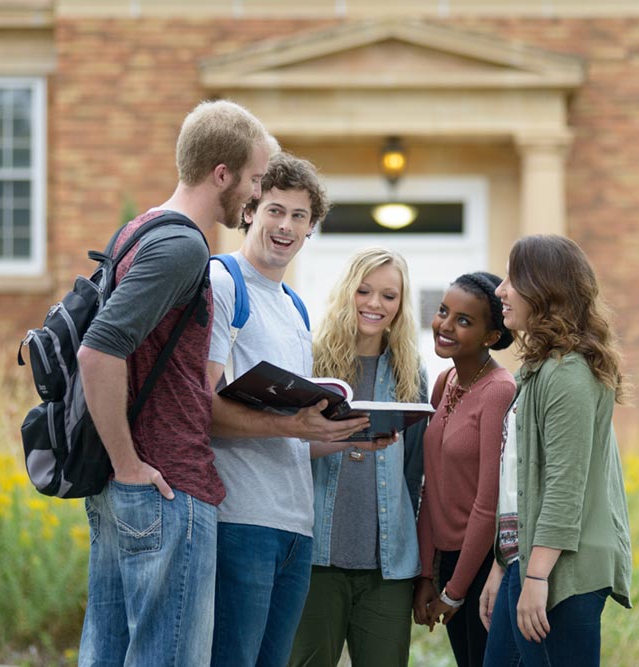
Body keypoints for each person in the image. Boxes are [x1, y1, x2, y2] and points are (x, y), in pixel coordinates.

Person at [76, 100, 277, 667]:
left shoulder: (140, 230)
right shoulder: (184, 245)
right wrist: (128, 463)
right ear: (223, 173)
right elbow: (99, 351)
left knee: (110, 654)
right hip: (165, 487)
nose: (256, 196)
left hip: (135, 489)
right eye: (255, 180)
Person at [206, 152, 370, 667]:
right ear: (250, 211)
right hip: (240, 519)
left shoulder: (295, 306)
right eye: (275, 210)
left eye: (300, 217)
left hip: (297, 527)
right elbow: (202, 408)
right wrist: (293, 423)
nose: (286, 226)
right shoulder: (222, 282)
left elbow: (294, 437)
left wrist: (353, 434)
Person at [479, 234, 633, 667]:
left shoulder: (568, 376)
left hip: (562, 575)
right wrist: (503, 564)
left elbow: (565, 486)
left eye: (513, 279)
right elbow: (520, 483)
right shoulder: (540, 370)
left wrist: (535, 577)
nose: (500, 291)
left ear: (544, 291)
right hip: (526, 563)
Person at [288, 247, 428, 667]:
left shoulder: (410, 372)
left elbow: (413, 473)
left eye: (389, 295)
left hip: (387, 568)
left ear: (401, 305)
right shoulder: (311, 362)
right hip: (316, 560)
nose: (374, 304)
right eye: (364, 291)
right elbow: (286, 449)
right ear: (346, 291)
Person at [412, 272, 516, 666]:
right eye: (443, 312)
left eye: (464, 320)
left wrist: (455, 591)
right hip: (447, 561)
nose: (445, 326)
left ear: (491, 336)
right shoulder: (445, 381)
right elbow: (430, 488)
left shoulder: (499, 390)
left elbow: (488, 502)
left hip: (483, 566)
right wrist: (427, 575)